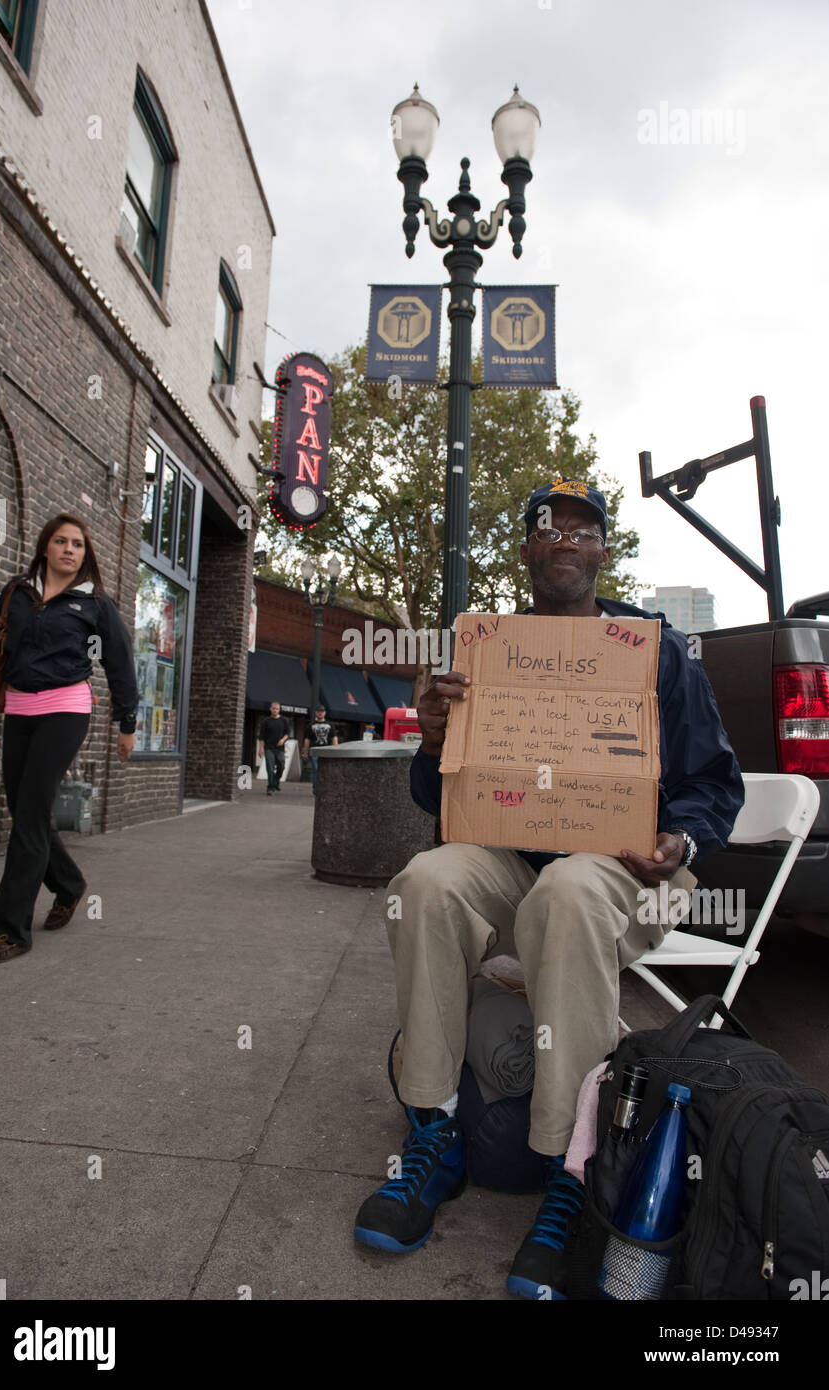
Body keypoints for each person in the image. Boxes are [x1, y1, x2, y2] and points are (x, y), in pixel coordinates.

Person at [352, 475, 745, 1299]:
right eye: (545, 528)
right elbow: (436, 801)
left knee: (566, 895)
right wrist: (432, 740)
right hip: (515, 858)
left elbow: (715, 784)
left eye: (580, 528)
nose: (562, 537)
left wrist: (681, 840)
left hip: (629, 868)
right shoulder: (485, 651)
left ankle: (572, 1170)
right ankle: (435, 1126)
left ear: (603, 550)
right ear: (526, 551)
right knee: (424, 881)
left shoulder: (657, 650)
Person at [0, 514, 138, 963]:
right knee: (25, 808)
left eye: (79, 544)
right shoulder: (17, 593)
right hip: (20, 710)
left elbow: (120, 664)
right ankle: (68, 884)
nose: (70, 550)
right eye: (61, 541)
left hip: (66, 710)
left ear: (86, 554)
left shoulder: (94, 604)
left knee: (28, 813)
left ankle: (10, 931)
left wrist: (127, 724)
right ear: (45, 547)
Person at [256, 701, 291, 796]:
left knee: (281, 766)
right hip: (269, 748)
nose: (275, 710)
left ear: (279, 710)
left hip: (279, 748)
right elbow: (261, 737)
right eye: (274, 708)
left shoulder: (284, 720)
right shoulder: (266, 721)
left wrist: (283, 740)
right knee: (270, 768)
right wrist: (260, 749)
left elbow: (287, 733)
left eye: (277, 709)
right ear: (270, 709)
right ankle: (270, 788)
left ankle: (276, 781)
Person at [301, 705, 338, 794]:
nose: (320, 713)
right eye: (318, 711)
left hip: (327, 751)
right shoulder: (310, 725)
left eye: (322, 711)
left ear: (325, 713)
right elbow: (307, 740)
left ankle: (325, 787)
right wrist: (305, 752)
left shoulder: (330, 725)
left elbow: (334, 738)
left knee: (327, 770)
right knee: (316, 770)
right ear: (316, 713)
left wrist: (335, 751)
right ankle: (316, 789)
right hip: (315, 751)